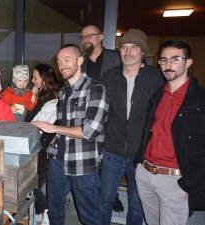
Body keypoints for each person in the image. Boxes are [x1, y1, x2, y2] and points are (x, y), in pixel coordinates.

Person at [32, 44, 108, 225]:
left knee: (89, 216)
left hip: (82, 163)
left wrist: (55, 129)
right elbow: (65, 123)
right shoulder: (64, 89)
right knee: (54, 209)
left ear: (80, 61)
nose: (62, 65)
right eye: (59, 62)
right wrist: (55, 138)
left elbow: (90, 130)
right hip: (58, 160)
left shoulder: (95, 88)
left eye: (67, 60)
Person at [134, 39, 205, 224]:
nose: (168, 65)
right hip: (146, 174)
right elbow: (148, 131)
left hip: (175, 180)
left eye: (175, 59)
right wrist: (139, 162)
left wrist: (188, 184)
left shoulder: (199, 100)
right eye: (164, 60)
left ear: (188, 62)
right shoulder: (158, 94)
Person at [99, 29, 165, 225]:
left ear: (142, 51)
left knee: (137, 204)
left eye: (134, 47)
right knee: (104, 201)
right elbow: (101, 113)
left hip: (142, 153)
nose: (128, 52)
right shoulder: (109, 76)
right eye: (124, 48)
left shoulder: (155, 78)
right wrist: (100, 145)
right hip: (111, 150)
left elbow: (160, 117)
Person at [81, 23, 124, 213]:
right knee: (90, 157)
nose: (86, 40)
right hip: (86, 115)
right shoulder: (80, 60)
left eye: (90, 35)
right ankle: (92, 193)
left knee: (108, 159)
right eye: (83, 37)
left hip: (110, 116)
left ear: (101, 36)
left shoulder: (115, 58)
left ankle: (111, 195)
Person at [25, 63, 62, 223]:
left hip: (41, 144)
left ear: (44, 79)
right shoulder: (41, 94)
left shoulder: (53, 97)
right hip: (36, 143)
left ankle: (46, 211)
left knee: (34, 181)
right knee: (32, 181)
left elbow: (36, 123)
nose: (32, 81)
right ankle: (39, 212)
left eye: (35, 78)